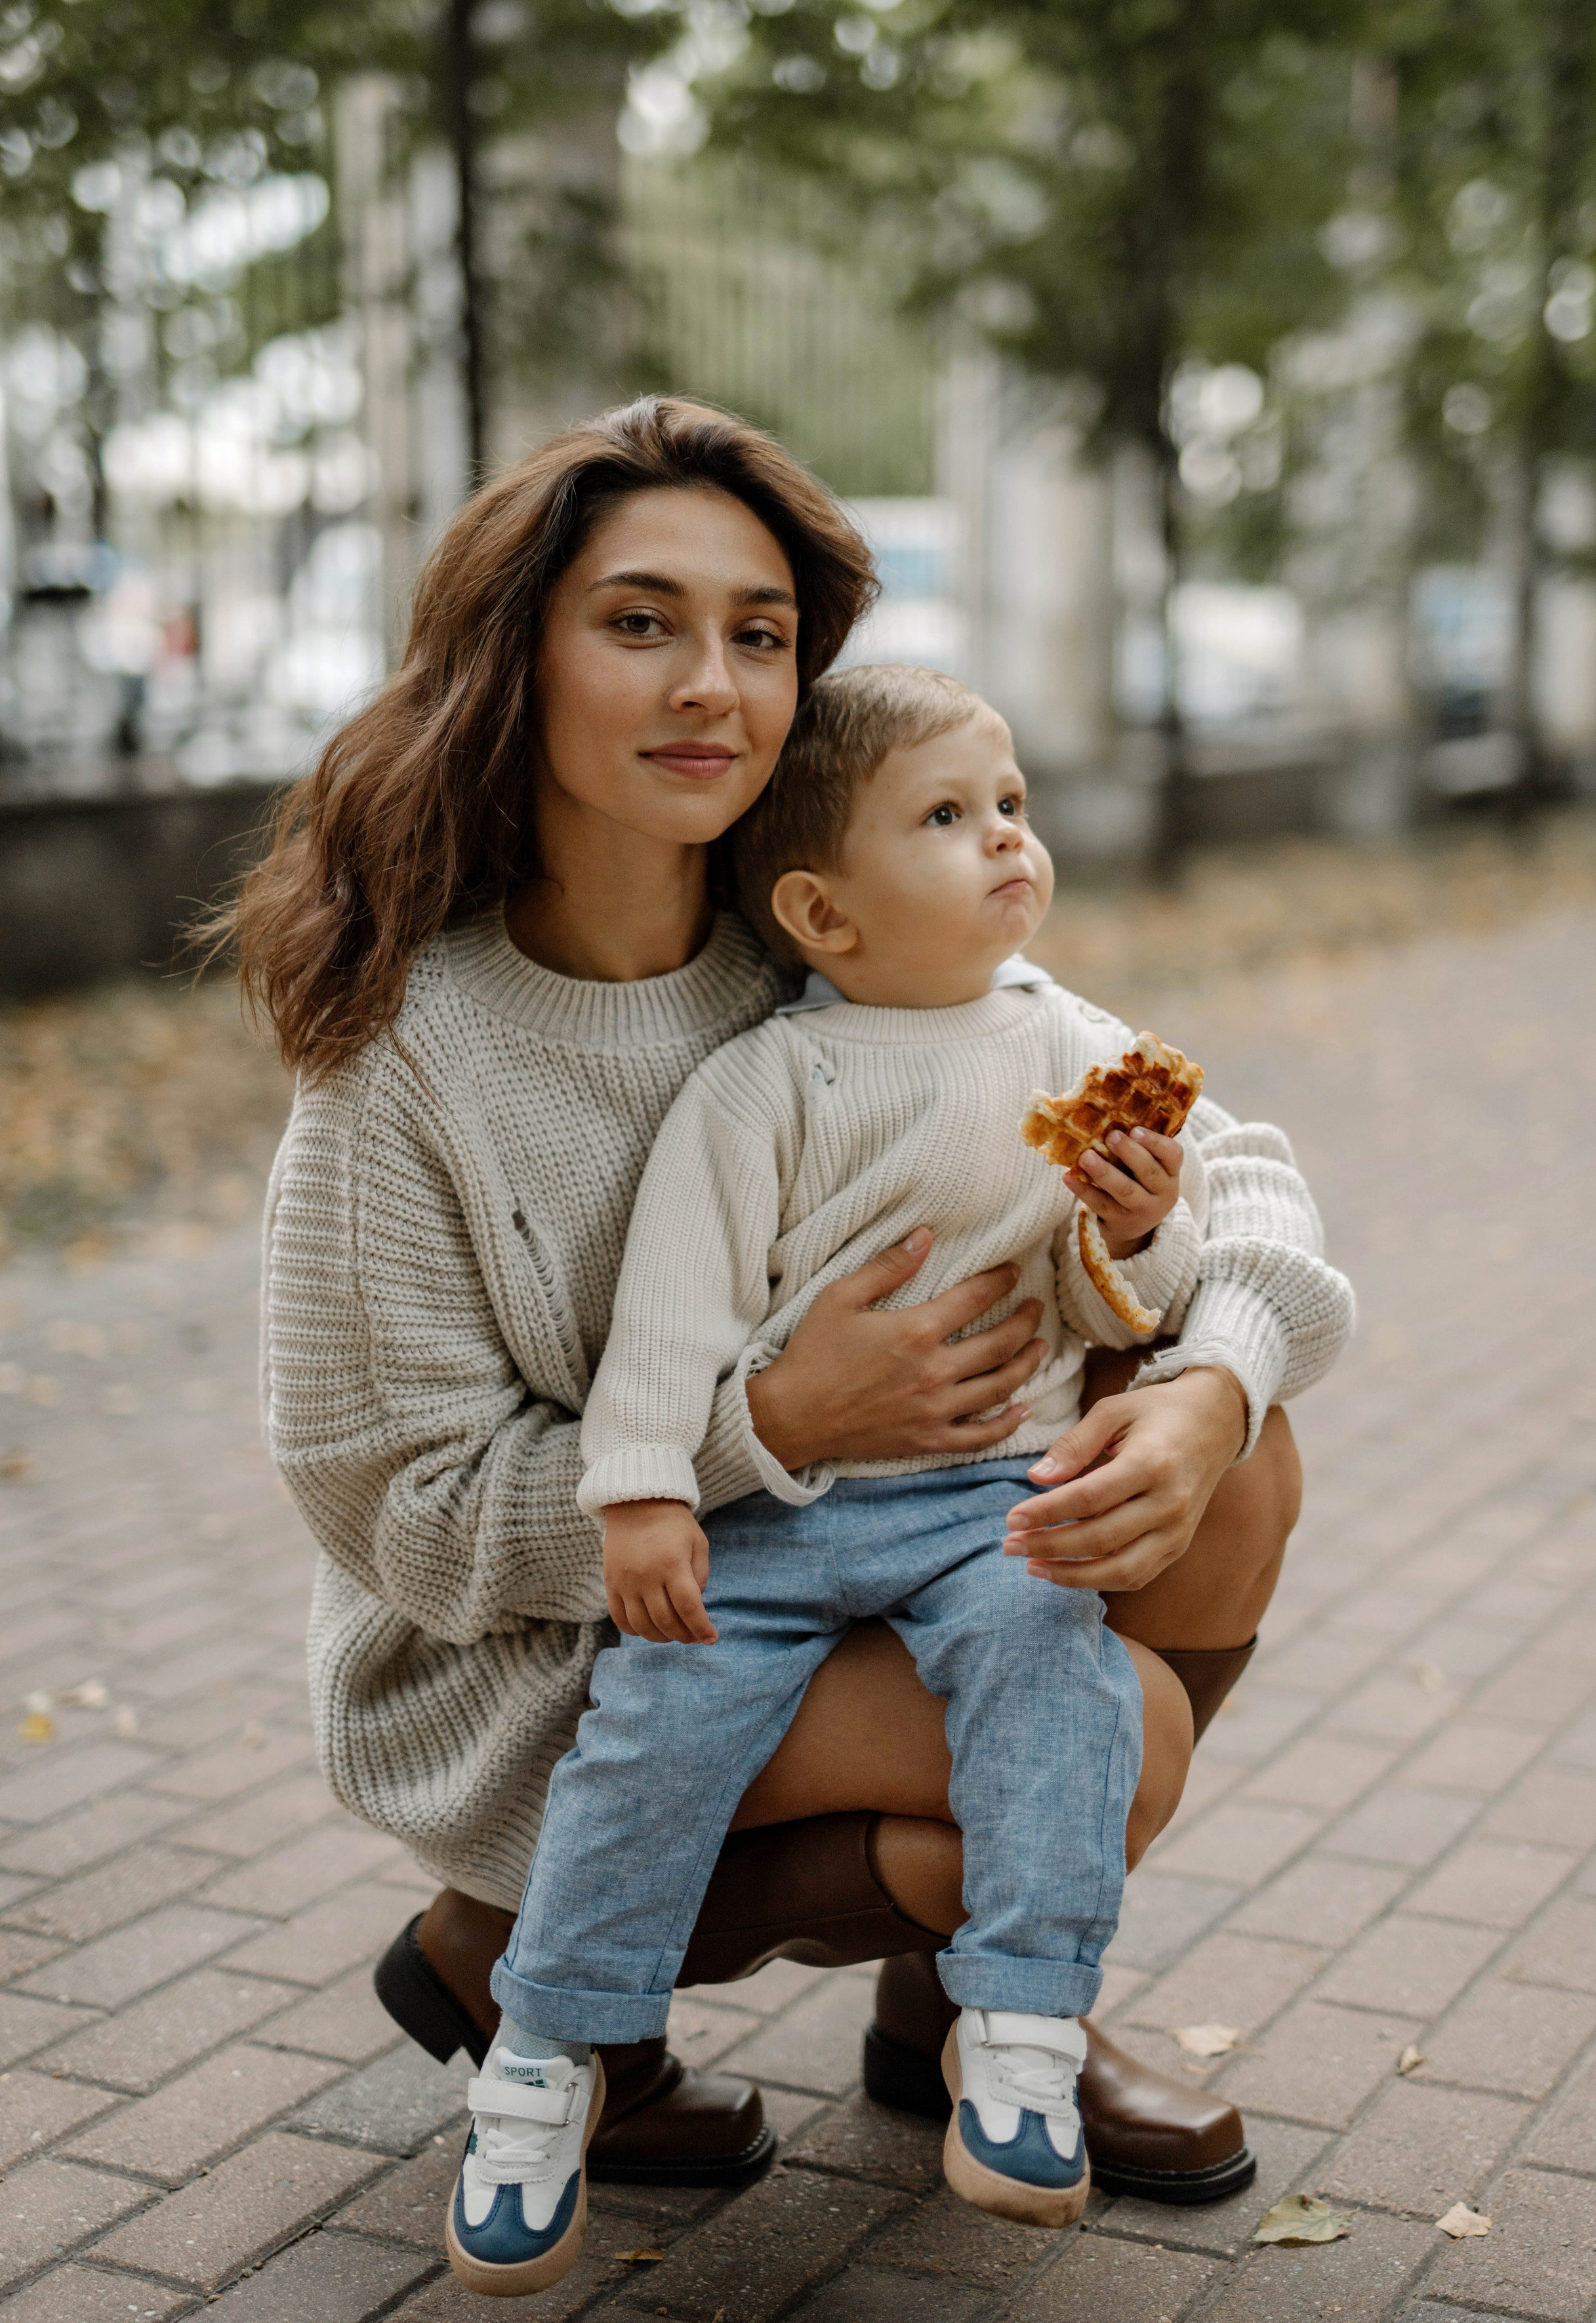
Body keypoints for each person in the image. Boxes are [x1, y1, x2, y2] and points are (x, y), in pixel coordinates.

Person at [242, 395, 1334, 2214]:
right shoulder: (406, 1059)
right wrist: (769, 1425)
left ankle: (965, 2020)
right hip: (564, 1635)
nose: (714, 684)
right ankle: (509, 1951)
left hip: (908, 1536)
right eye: (640, 621)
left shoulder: (828, 925)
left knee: (1249, 1465)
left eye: (760, 636)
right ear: (516, 655)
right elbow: (398, 1509)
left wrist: (1212, 1379)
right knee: (1109, 1736)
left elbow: (1233, 1164)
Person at [445, 664, 1348, 2293]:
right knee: (653, 1731)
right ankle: (543, 2048)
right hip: (770, 1516)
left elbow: (1097, 1298)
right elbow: (673, 1309)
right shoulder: (763, 1086)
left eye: (1008, 804)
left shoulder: (1077, 1047)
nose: (1006, 838)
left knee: (1054, 1679)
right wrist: (643, 1492)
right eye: (946, 818)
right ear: (823, 910)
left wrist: (1140, 1231)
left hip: (979, 1501)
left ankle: (1013, 2024)